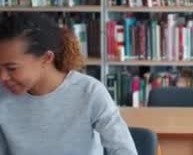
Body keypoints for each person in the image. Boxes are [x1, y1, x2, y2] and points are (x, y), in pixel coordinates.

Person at [0, 12, 137, 155]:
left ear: (46, 58)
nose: (2, 77)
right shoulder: (2, 97)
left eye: (11, 68)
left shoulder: (89, 93)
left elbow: (124, 150)